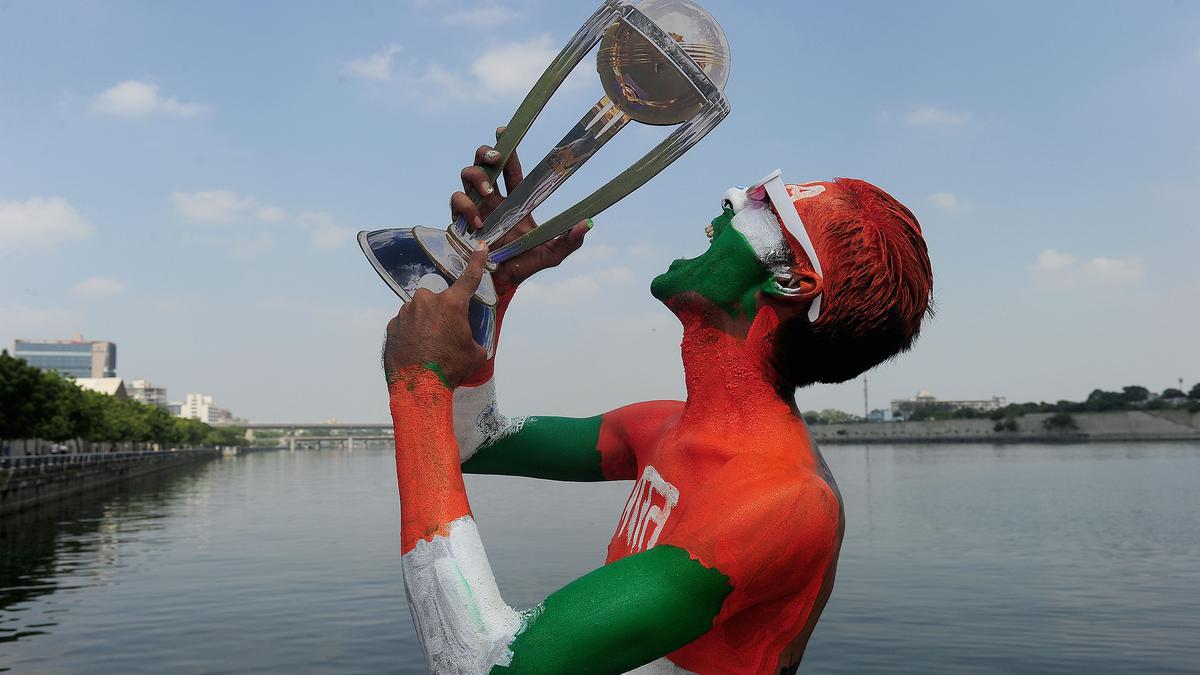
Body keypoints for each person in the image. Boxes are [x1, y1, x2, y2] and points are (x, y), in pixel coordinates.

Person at [383, 136, 933, 674]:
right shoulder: (665, 425)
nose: (735, 197)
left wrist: (418, 383)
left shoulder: (781, 503)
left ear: (791, 282)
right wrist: (495, 281)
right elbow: (474, 440)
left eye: (767, 205)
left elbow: (481, 665)